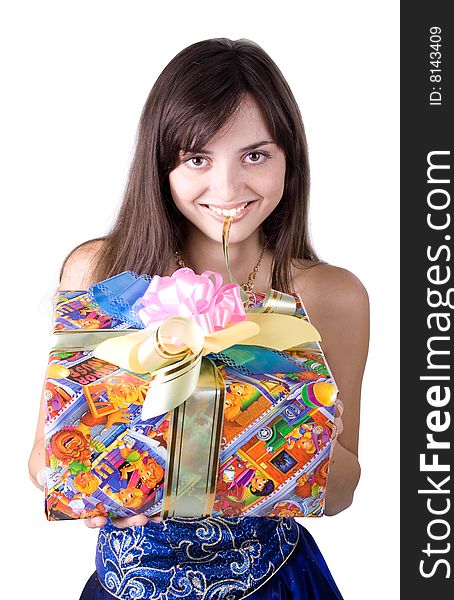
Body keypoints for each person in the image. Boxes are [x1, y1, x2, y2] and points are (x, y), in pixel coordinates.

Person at [29, 37, 369, 599]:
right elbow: (44, 459)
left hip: (274, 585)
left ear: (291, 159)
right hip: (125, 587)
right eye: (197, 158)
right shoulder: (101, 271)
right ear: (162, 165)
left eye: (255, 155)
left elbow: (341, 493)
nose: (228, 188)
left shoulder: (329, 294)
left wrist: (265, 418)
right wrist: (92, 487)